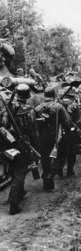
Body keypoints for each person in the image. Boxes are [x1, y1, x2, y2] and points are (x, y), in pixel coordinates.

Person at [2, 84, 40, 215]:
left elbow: (3, 126)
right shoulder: (28, 109)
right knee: (20, 172)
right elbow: (33, 130)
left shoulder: (7, 107)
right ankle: (14, 203)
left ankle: (20, 192)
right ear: (27, 96)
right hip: (22, 144)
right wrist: (36, 145)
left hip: (8, 144)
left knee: (13, 169)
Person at [35, 87, 71, 189]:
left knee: (45, 160)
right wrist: (68, 135)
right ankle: (51, 177)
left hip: (42, 139)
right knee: (57, 159)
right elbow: (66, 122)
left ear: (44, 95)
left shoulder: (37, 108)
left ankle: (47, 181)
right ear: (54, 95)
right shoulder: (58, 107)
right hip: (56, 138)